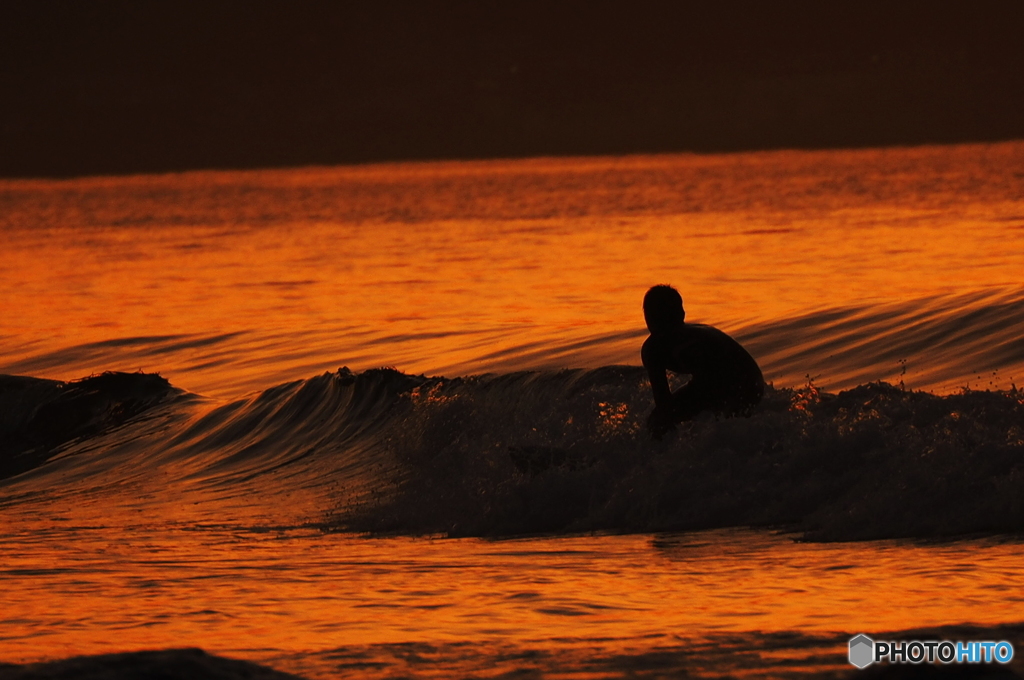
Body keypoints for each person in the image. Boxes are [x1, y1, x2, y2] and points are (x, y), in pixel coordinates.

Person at [641, 285, 763, 437]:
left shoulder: (654, 347)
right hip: (754, 382)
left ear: (649, 317)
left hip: (727, 382)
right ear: (682, 313)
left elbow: (663, 403)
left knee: (656, 421)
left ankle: (671, 457)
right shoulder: (698, 332)